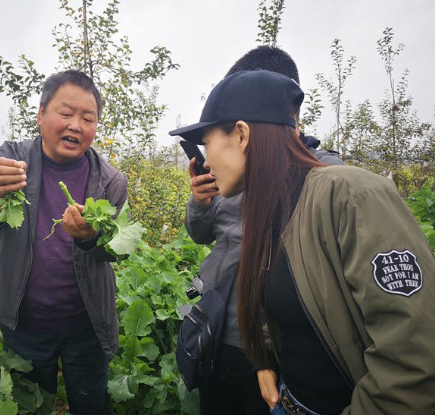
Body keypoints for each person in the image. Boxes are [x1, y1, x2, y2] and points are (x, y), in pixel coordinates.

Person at [170, 69, 435, 414]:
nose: (205, 160)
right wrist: (263, 359)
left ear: (241, 135)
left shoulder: (350, 195)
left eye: (208, 143)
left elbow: (414, 360)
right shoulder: (271, 205)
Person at [182, 47, 343, 415]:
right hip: (223, 326)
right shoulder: (227, 170)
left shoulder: (326, 178)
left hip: (282, 343)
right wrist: (200, 202)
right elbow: (201, 235)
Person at [0, 70, 127, 414]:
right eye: (66, 114)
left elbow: (115, 250)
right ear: (41, 114)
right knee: (28, 405)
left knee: (91, 404)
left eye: (87, 118)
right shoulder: (9, 161)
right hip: (24, 323)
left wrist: (89, 239)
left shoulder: (110, 180)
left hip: (87, 325)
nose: (76, 126)